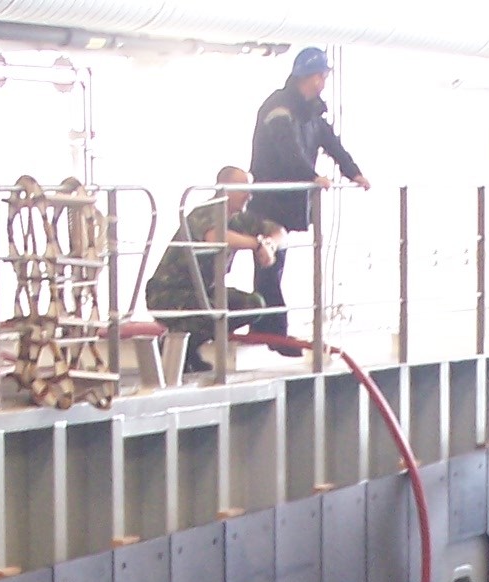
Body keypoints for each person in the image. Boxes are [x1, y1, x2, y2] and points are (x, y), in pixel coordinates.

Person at [249, 47, 371, 337]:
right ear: (315, 77)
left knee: (273, 261)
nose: (324, 80)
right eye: (323, 75)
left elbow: (331, 142)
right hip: (269, 200)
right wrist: (311, 176)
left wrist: (353, 172)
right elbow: (286, 147)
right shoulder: (279, 107)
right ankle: (272, 329)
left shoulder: (312, 110)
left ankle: (269, 327)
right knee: (270, 262)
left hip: (288, 201)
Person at [143, 168, 279, 374]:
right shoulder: (206, 211)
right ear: (224, 189)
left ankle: (187, 348)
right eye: (243, 188)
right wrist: (256, 244)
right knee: (213, 311)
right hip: (168, 293)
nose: (249, 195)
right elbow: (215, 236)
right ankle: (176, 347)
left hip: (203, 292)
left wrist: (270, 244)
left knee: (253, 305)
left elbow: (279, 231)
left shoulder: (238, 218)